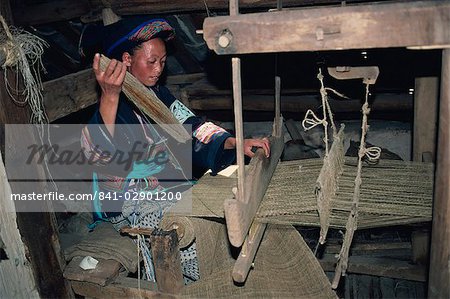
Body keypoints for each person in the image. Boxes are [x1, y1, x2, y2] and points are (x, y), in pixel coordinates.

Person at [80, 18, 270, 283]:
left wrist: (236, 142)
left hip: (166, 186)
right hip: (128, 202)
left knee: (229, 189)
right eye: (151, 61)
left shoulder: (159, 96)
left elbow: (192, 126)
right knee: (183, 226)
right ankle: (198, 284)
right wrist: (110, 96)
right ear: (126, 59)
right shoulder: (114, 103)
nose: (158, 69)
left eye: (163, 61)